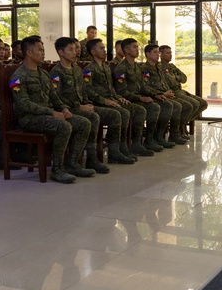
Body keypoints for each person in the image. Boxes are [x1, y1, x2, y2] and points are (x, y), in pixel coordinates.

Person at [10, 36, 95, 183]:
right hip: (29, 119)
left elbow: (53, 96)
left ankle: (73, 164)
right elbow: (23, 104)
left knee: (83, 123)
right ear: (29, 53)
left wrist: (64, 108)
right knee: (64, 126)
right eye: (40, 50)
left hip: (47, 115)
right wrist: (51, 112)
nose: (43, 53)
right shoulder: (18, 76)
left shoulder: (43, 73)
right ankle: (57, 169)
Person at [50, 36, 134, 167]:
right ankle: (91, 158)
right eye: (71, 50)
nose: (75, 52)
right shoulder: (56, 72)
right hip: (69, 108)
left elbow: (83, 91)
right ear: (61, 52)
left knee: (116, 114)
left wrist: (88, 103)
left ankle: (114, 151)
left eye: (75, 49)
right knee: (94, 117)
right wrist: (80, 105)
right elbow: (56, 96)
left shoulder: (76, 69)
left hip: (83, 105)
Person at [85, 37, 154, 157]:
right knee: (122, 113)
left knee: (138, 110)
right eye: (101, 48)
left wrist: (118, 97)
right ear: (93, 52)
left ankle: (130, 145)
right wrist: (104, 100)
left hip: (112, 99)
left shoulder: (105, 67)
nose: (105, 50)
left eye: (104, 48)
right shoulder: (88, 69)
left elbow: (111, 89)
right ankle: (115, 151)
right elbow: (87, 90)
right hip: (99, 102)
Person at [114, 39, 171, 150]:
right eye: (134, 47)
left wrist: (155, 95)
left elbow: (143, 86)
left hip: (139, 97)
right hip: (129, 99)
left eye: (137, 47)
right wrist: (140, 97)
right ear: (126, 50)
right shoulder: (121, 68)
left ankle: (151, 139)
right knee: (143, 110)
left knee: (164, 104)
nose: (137, 49)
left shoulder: (137, 67)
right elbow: (122, 91)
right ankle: (136, 143)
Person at [142, 44, 189, 144]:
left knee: (179, 105)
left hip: (164, 94)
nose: (158, 55)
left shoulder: (159, 67)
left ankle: (172, 135)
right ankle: (156, 137)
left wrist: (169, 92)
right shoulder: (145, 68)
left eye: (158, 52)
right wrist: (161, 93)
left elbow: (165, 82)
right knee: (171, 105)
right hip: (154, 95)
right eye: (155, 52)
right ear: (147, 54)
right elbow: (145, 86)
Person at [159, 44, 208, 131]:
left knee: (203, 103)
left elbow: (184, 78)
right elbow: (170, 81)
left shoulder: (172, 66)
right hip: (173, 92)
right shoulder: (160, 67)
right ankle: (179, 128)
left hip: (180, 91)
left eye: (171, 53)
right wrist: (174, 78)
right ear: (161, 55)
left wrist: (176, 77)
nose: (170, 55)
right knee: (194, 104)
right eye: (167, 53)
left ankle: (183, 122)